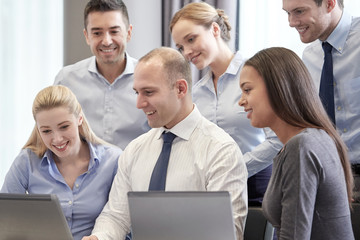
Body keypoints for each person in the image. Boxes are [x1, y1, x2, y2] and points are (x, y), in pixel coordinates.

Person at [82, 47, 248, 240]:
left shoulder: (221, 150)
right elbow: (116, 216)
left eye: (148, 92)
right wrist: (98, 237)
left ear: (180, 89)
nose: (139, 103)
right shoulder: (135, 149)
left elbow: (227, 235)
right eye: (137, 92)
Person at [170, 2, 282, 206]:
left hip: (257, 188)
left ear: (214, 29)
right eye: (180, 47)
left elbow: (278, 140)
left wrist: (235, 168)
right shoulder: (196, 93)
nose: (186, 52)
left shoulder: (258, 74)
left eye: (191, 39)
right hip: (211, 191)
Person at [238, 47, 354, 239]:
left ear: (278, 87)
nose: (241, 101)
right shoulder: (315, 138)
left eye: (247, 90)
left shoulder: (301, 147)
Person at [1, 85, 122, 240]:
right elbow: (5, 218)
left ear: (79, 118)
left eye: (64, 127)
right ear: (38, 130)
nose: (57, 139)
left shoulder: (113, 160)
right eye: (46, 131)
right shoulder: (27, 161)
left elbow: (123, 220)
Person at [282, 0, 360, 202]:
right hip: (330, 176)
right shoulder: (310, 56)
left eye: (299, 12)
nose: (291, 22)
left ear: (330, 4)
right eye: (288, 13)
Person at [54, 0, 149, 150]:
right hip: (83, 173)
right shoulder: (66, 80)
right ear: (87, 36)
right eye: (97, 33)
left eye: (114, 31)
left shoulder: (151, 78)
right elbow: (52, 134)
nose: (106, 41)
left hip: (138, 171)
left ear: (128, 33)